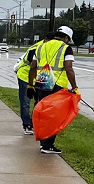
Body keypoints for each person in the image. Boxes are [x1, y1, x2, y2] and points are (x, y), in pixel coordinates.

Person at [26, 25, 79, 154]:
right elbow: (69, 68)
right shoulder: (66, 48)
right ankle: (48, 145)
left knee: (43, 113)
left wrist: (30, 85)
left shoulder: (41, 46)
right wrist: (75, 87)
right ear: (66, 37)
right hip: (57, 85)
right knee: (54, 115)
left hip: (42, 82)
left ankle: (43, 142)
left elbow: (33, 67)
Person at [14, 35, 46, 136]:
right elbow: (32, 66)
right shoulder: (36, 48)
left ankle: (35, 123)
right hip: (25, 76)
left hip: (39, 77)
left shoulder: (49, 47)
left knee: (39, 101)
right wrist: (31, 85)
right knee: (26, 102)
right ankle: (27, 125)